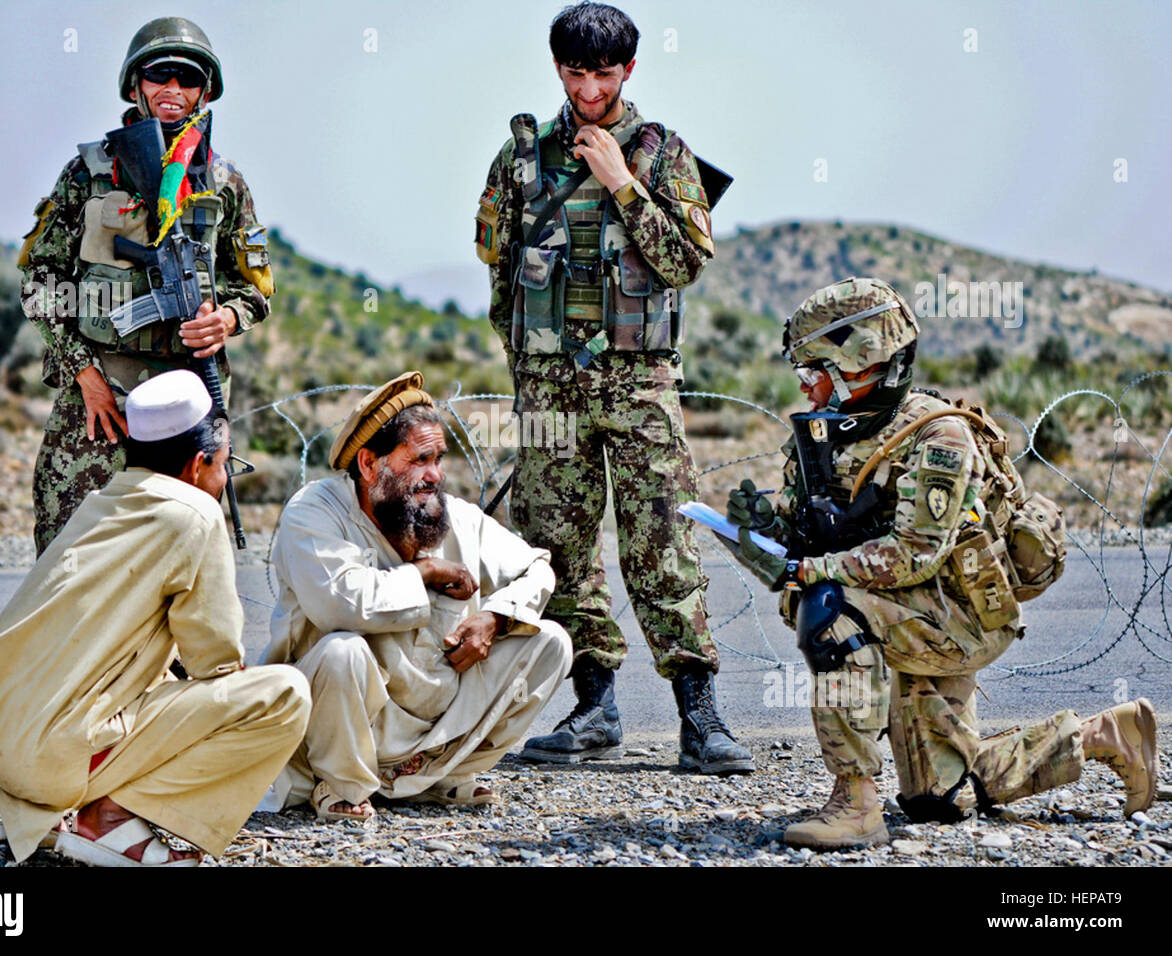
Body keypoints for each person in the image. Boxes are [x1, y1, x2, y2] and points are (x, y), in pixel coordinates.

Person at [721, 276, 1159, 850]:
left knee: (831, 610)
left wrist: (812, 574)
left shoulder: (940, 438)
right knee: (939, 801)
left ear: (865, 364)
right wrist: (763, 531)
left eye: (816, 372)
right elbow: (808, 545)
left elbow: (914, 555)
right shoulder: (826, 439)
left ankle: (854, 804)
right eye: (803, 375)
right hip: (902, 615)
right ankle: (1107, 734)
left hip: (955, 619)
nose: (807, 391)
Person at [475, 1, 752, 774]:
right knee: (557, 546)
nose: (589, 87)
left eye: (604, 73)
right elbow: (502, 274)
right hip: (549, 385)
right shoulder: (522, 159)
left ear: (629, 69)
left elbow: (687, 261)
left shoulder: (662, 153)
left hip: (639, 383)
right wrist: (526, 368)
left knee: (660, 539)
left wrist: (623, 183)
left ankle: (701, 718)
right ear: (556, 68)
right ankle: (593, 708)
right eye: (575, 72)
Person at [0, 370, 310, 866]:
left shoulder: (103, 500)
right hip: (52, 757)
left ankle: (60, 811)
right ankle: (111, 819)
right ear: (198, 464)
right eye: (227, 466)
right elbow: (215, 662)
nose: (225, 480)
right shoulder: (195, 513)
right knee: (284, 696)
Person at [259, 372, 573, 821]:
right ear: (369, 465)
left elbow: (536, 568)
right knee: (342, 651)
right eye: (420, 459)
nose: (435, 476)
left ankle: (439, 776)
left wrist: (496, 619)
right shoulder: (316, 512)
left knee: (550, 642)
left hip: (429, 731)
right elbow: (342, 605)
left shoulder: (451, 516)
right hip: (341, 723)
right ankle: (340, 783)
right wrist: (423, 572)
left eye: (439, 459)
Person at [20, 16, 275, 555]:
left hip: (188, 396)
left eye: (188, 79)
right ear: (136, 85)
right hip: (99, 399)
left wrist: (226, 318)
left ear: (205, 91)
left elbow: (253, 287)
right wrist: (83, 374)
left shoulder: (224, 183)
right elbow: (40, 282)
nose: (173, 91)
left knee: (178, 559)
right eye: (161, 75)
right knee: (71, 557)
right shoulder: (88, 174)